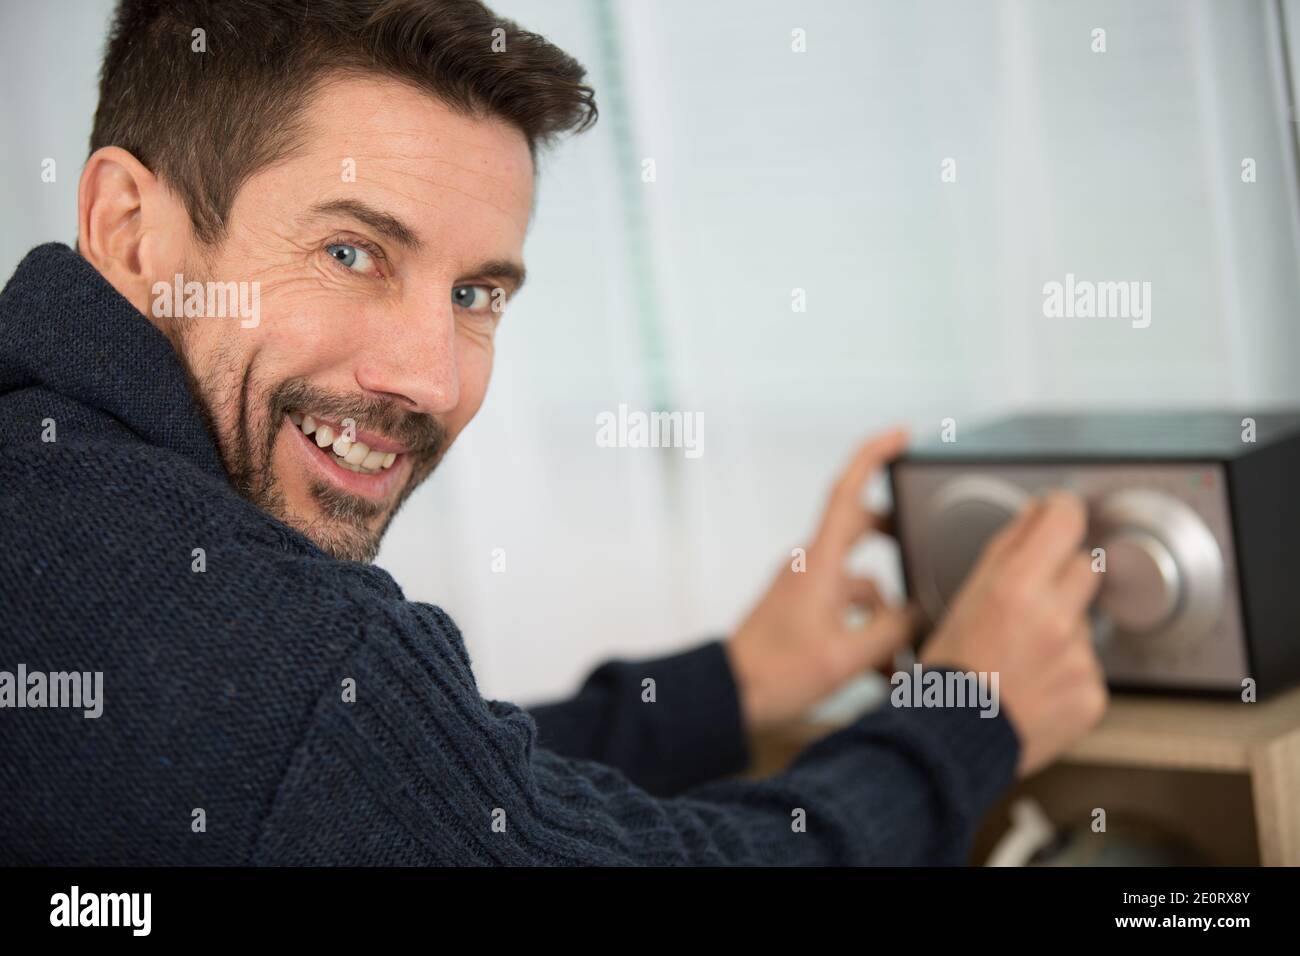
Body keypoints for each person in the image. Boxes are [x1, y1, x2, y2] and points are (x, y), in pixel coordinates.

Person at [0, 0, 1106, 865]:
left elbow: (377, 786)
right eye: (350, 253)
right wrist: (968, 714)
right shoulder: (263, 635)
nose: (430, 380)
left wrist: (729, 687)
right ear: (131, 230)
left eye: (477, 295)